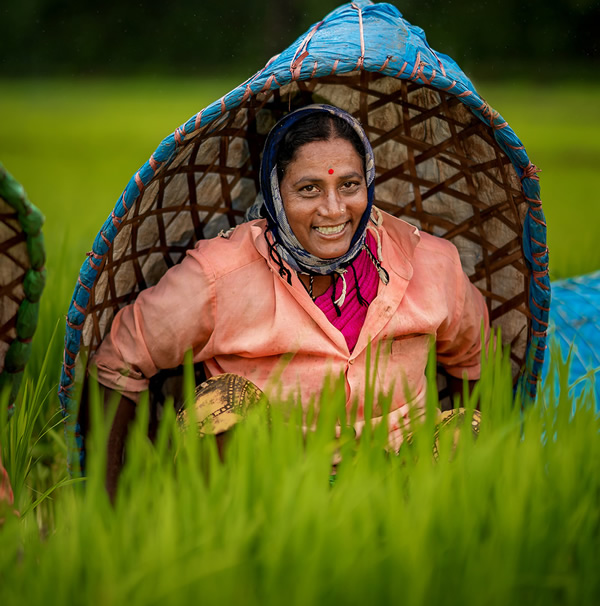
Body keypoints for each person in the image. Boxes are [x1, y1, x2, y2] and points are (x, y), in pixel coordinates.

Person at [93, 105, 489, 491]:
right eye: (309, 189)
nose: (334, 210)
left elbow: (475, 360)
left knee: (468, 430)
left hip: (403, 479)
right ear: (275, 193)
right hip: (271, 487)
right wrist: (109, 507)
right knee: (218, 406)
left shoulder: (430, 264)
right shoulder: (220, 275)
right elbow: (121, 360)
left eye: (349, 185)